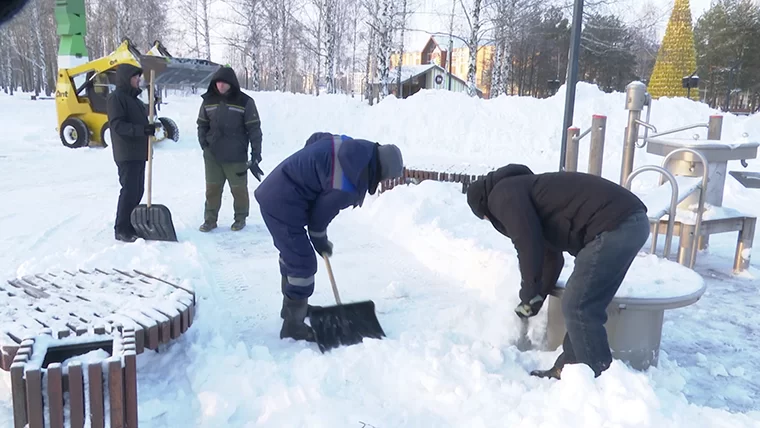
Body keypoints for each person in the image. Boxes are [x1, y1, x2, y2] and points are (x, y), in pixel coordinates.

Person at [466, 164, 650, 379]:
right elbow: (550, 258)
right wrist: (536, 298)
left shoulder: (502, 195)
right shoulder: (523, 190)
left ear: (484, 209)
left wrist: (527, 294)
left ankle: (597, 379)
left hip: (616, 225)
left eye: (487, 219)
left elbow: (527, 243)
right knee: (582, 302)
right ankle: (570, 369)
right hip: (628, 223)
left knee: (578, 304)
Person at [254, 132, 404, 342]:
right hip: (281, 203)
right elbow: (319, 217)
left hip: (281, 188)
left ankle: (292, 308)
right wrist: (320, 239)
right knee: (302, 262)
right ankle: (292, 325)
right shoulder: (347, 184)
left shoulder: (349, 146)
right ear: (380, 172)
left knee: (292, 254)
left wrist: (308, 171)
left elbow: (316, 139)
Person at [197, 66, 263, 232]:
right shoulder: (208, 101)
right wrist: (204, 144)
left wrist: (256, 153)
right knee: (212, 189)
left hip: (236, 155)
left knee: (238, 190)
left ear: (231, 83)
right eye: (218, 82)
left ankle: (240, 218)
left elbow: (254, 129)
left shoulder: (245, 102)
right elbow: (202, 125)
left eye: (224, 83)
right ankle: (210, 220)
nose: (220, 86)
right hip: (213, 155)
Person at [107, 63, 160, 243]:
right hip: (126, 153)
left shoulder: (136, 101)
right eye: (135, 77)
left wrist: (149, 129)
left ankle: (131, 224)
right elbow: (117, 125)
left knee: (138, 190)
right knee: (129, 190)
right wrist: (141, 130)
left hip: (138, 152)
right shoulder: (116, 98)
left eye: (138, 77)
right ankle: (121, 228)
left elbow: (142, 123)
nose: (138, 80)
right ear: (125, 79)